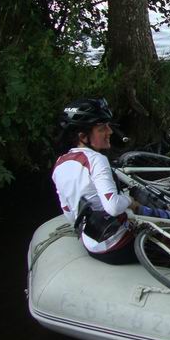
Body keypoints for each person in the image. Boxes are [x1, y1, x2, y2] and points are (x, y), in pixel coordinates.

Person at [52, 98, 141, 265]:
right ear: (83, 136)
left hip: (92, 245)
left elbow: (69, 214)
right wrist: (129, 201)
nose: (110, 132)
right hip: (118, 245)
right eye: (102, 129)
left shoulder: (60, 164)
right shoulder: (97, 160)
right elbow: (113, 206)